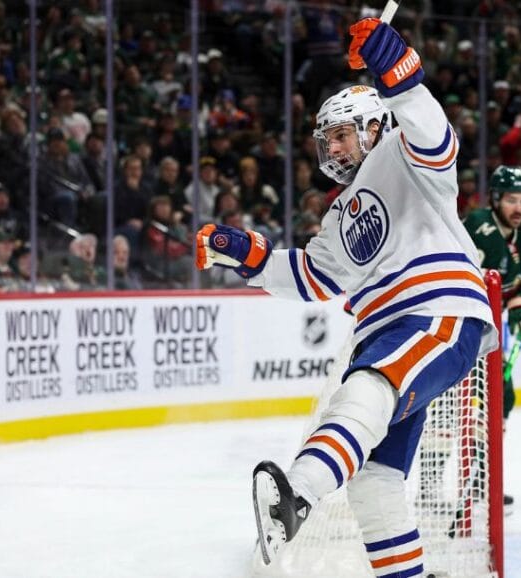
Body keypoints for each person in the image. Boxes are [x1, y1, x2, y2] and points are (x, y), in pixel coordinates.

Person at [195, 18, 497, 573]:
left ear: (374, 126)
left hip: (436, 315)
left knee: (367, 386)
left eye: (340, 134)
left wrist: (396, 68)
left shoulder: (406, 154)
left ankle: (298, 495)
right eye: (325, 138)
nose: (330, 147)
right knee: (375, 484)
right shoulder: (340, 212)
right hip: (385, 332)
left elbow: (435, 133)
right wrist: (251, 257)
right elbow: (315, 276)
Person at [461, 164, 521, 513]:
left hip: (488, 332)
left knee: (501, 395)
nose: (518, 208)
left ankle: (483, 478)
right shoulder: (476, 228)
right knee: (446, 408)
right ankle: (434, 485)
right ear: (495, 199)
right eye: (511, 199)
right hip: (458, 326)